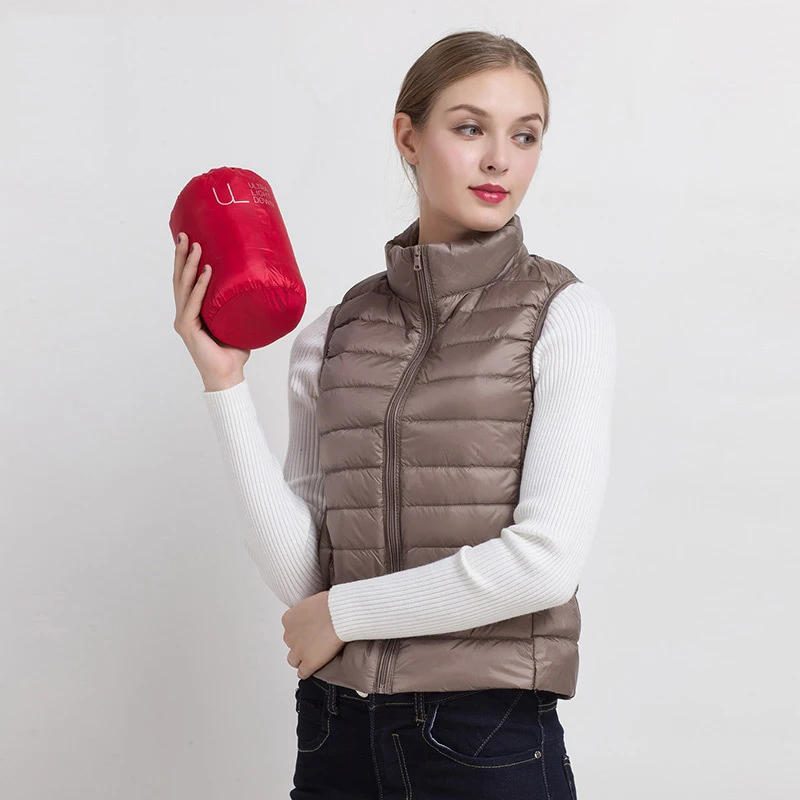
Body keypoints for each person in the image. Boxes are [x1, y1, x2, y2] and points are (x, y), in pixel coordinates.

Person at [173, 29, 614, 800]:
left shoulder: (565, 315)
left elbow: (547, 562)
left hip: (485, 737)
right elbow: (306, 576)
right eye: (470, 128)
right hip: (335, 730)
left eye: (525, 135)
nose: (499, 160)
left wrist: (344, 615)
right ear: (408, 137)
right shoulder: (334, 333)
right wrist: (226, 384)